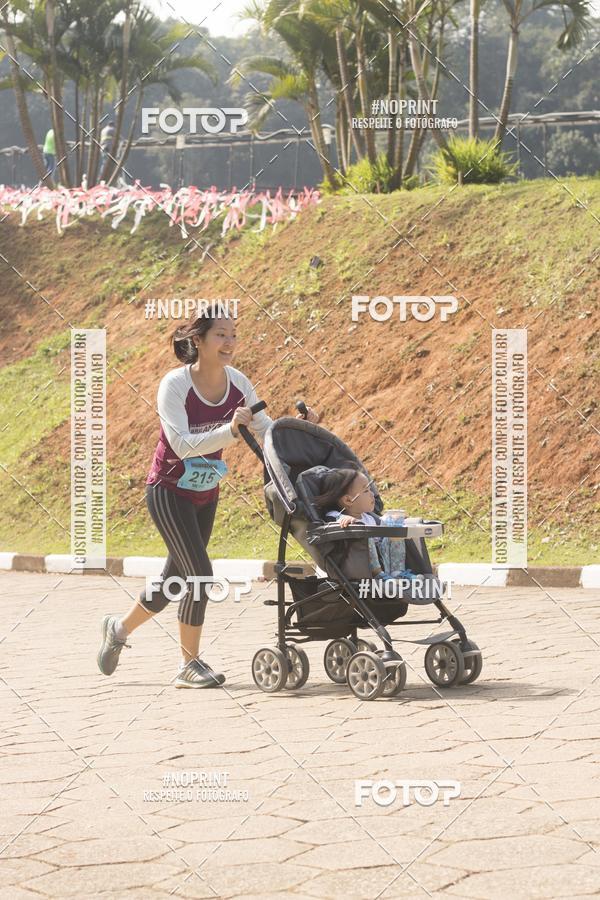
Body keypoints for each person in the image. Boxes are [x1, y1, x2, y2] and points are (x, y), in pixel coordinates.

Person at [97, 307, 319, 688]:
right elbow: (181, 445)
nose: (230, 342)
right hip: (168, 490)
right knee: (199, 574)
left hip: (205, 491)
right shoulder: (175, 385)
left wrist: (302, 431)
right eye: (220, 334)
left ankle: (118, 629)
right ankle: (189, 664)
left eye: (233, 334)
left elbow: (265, 431)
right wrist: (230, 431)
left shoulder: (238, 383)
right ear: (197, 340)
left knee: (174, 578)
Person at [313, 467, 408, 578]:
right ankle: (378, 575)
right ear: (348, 500)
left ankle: (397, 572)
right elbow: (334, 524)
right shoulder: (334, 516)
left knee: (394, 528)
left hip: (382, 561)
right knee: (364, 531)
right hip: (351, 567)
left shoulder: (368, 518)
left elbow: (385, 530)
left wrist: (396, 521)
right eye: (366, 491)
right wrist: (345, 521)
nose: (372, 494)